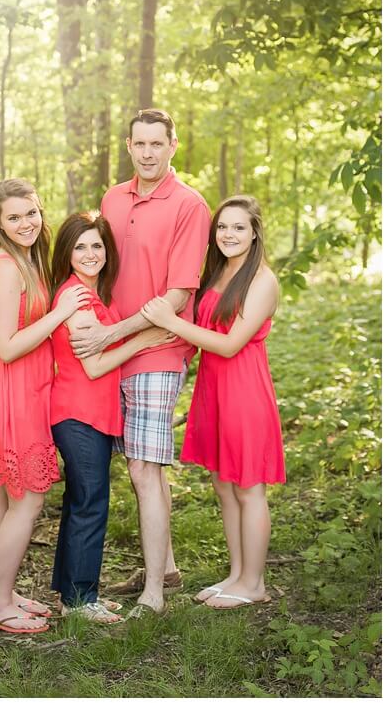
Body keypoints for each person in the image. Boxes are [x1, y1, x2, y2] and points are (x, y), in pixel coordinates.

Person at [72, 108, 211, 615]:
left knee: (143, 467)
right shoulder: (112, 197)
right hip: (113, 349)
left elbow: (176, 295)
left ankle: (154, 595)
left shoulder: (190, 206)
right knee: (142, 468)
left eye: (158, 143)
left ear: (173, 145)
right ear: (129, 146)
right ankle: (166, 566)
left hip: (158, 347)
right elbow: (95, 265)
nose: (148, 153)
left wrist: (114, 332)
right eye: (140, 144)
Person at [139, 195, 283, 609]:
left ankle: (254, 583)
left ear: (254, 232)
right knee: (223, 483)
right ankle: (237, 575)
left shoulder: (262, 280)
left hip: (245, 392)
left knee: (248, 486)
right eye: (222, 227)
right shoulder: (217, 275)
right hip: (214, 390)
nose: (229, 234)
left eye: (239, 227)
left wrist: (169, 320)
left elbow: (229, 342)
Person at [45, 212, 178, 624]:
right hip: (78, 413)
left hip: (93, 415)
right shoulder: (78, 299)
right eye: (80, 246)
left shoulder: (94, 293)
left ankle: (71, 595)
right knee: (91, 505)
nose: (90, 253)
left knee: (79, 503)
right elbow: (94, 366)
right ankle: (83, 599)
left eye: (97, 245)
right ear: (66, 253)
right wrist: (146, 339)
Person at [0, 179, 89, 634]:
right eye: (14, 217)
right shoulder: (5, 269)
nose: (25, 223)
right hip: (10, 391)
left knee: (3, 495)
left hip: (24, 389)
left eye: (31, 214)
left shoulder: (27, 260)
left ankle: (1, 593)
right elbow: (6, 347)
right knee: (27, 497)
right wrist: (59, 314)